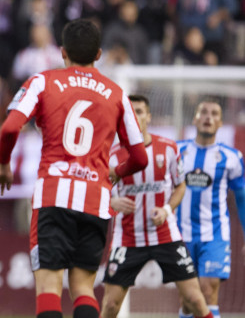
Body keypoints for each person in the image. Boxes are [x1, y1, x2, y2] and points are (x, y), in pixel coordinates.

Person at [0, 19, 148, 318]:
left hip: (53, 195)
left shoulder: (42, 81)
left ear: (62, 52)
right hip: (95, 200)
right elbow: (140, 157)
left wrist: (3, 166)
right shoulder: (117, 94)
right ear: (99, 54)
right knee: (84, 289)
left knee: (49, 286)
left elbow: (10, 128)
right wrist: (115, 173)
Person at [102, 95, 212, 318]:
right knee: (111, 306)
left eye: (140, 111)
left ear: (149, 117)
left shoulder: (168, 148)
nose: (134, 116)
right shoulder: (112, 156)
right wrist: (112, 202)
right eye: (130, 112)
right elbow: (98, 193)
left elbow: (180, 187)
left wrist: (166, 210)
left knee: (194, 300)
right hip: (127, 237)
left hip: (165, 235)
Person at [176, 99, 245, 318]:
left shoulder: (232, 157)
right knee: (189, 300)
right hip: (181, 234)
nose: (208, 117)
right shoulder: (177, 152)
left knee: (207, 290)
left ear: (221, 122)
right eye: (203, 112)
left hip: (215, 234)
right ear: (195, 119)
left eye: (214, 114)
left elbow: (242, 198)